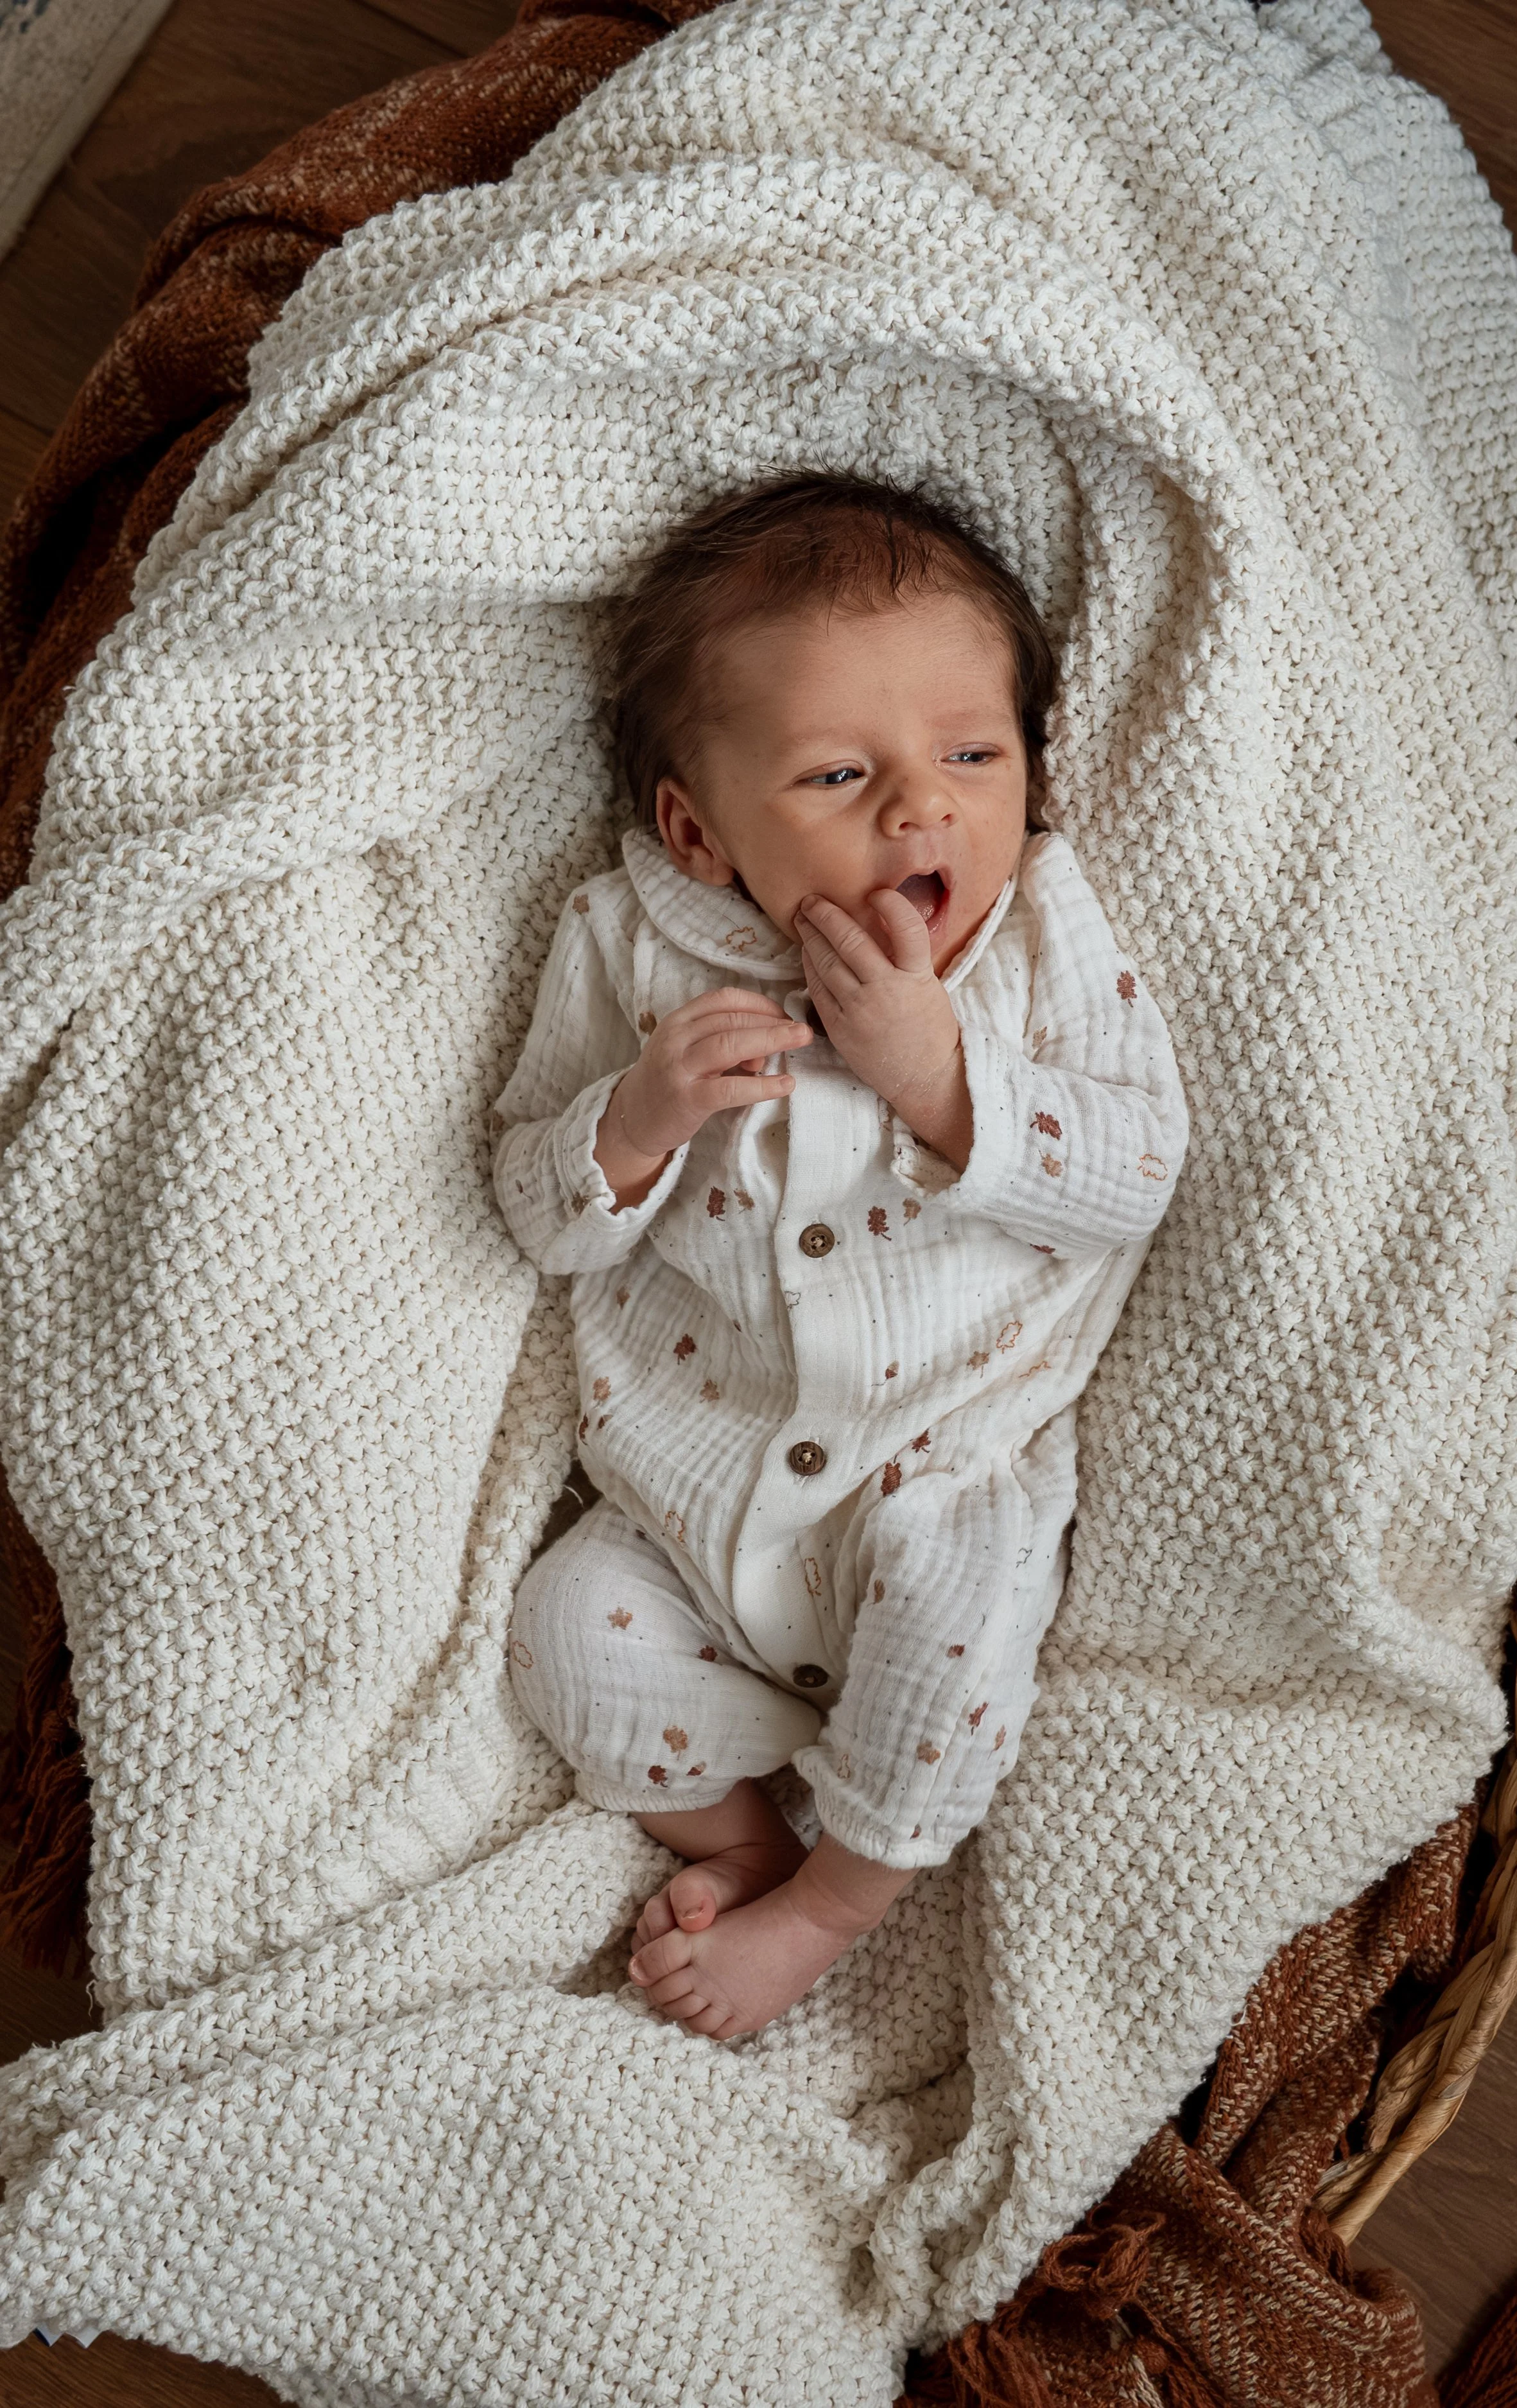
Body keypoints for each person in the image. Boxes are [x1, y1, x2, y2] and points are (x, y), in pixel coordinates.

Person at [493, 471, 1190, 2039]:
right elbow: (532, 1208)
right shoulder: (626, 945)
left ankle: (828, 1904)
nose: (920, 809)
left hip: (930, 1477)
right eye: (835, 772)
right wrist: (633, 1120)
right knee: (562, 1631)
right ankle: (744, 1845)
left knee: (962, 1618)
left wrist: (943, 1080)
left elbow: (1139, 1169)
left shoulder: (1032, 940)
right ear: (696, 829)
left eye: (971, 755)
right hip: (686, 1498)